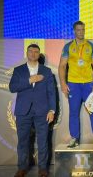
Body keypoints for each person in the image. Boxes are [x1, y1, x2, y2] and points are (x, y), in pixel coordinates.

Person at [59, 21, 93, 148]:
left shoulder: (91, 46)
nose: (81, 32)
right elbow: (62, 66)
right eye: (78, 30)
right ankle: (74, 138)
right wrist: (63, 84)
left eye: (83, 29)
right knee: (73, 112)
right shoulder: (68, 47)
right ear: (74, 31)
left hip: (88, 85)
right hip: (73, 85)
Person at [9, 44, 56, 177]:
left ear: (39, 54)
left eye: (36, 51)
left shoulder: (46, 71)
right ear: (27, 53)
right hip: (23, 111)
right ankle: (22, 168)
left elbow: (51, 92)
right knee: (22, 141)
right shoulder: (18, 70)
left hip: (42, 111)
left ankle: (43, 169)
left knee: (43, 141)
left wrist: (52, 110)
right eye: (31, 51)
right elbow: (12, 87)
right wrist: (30, 80)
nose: (33, 53)